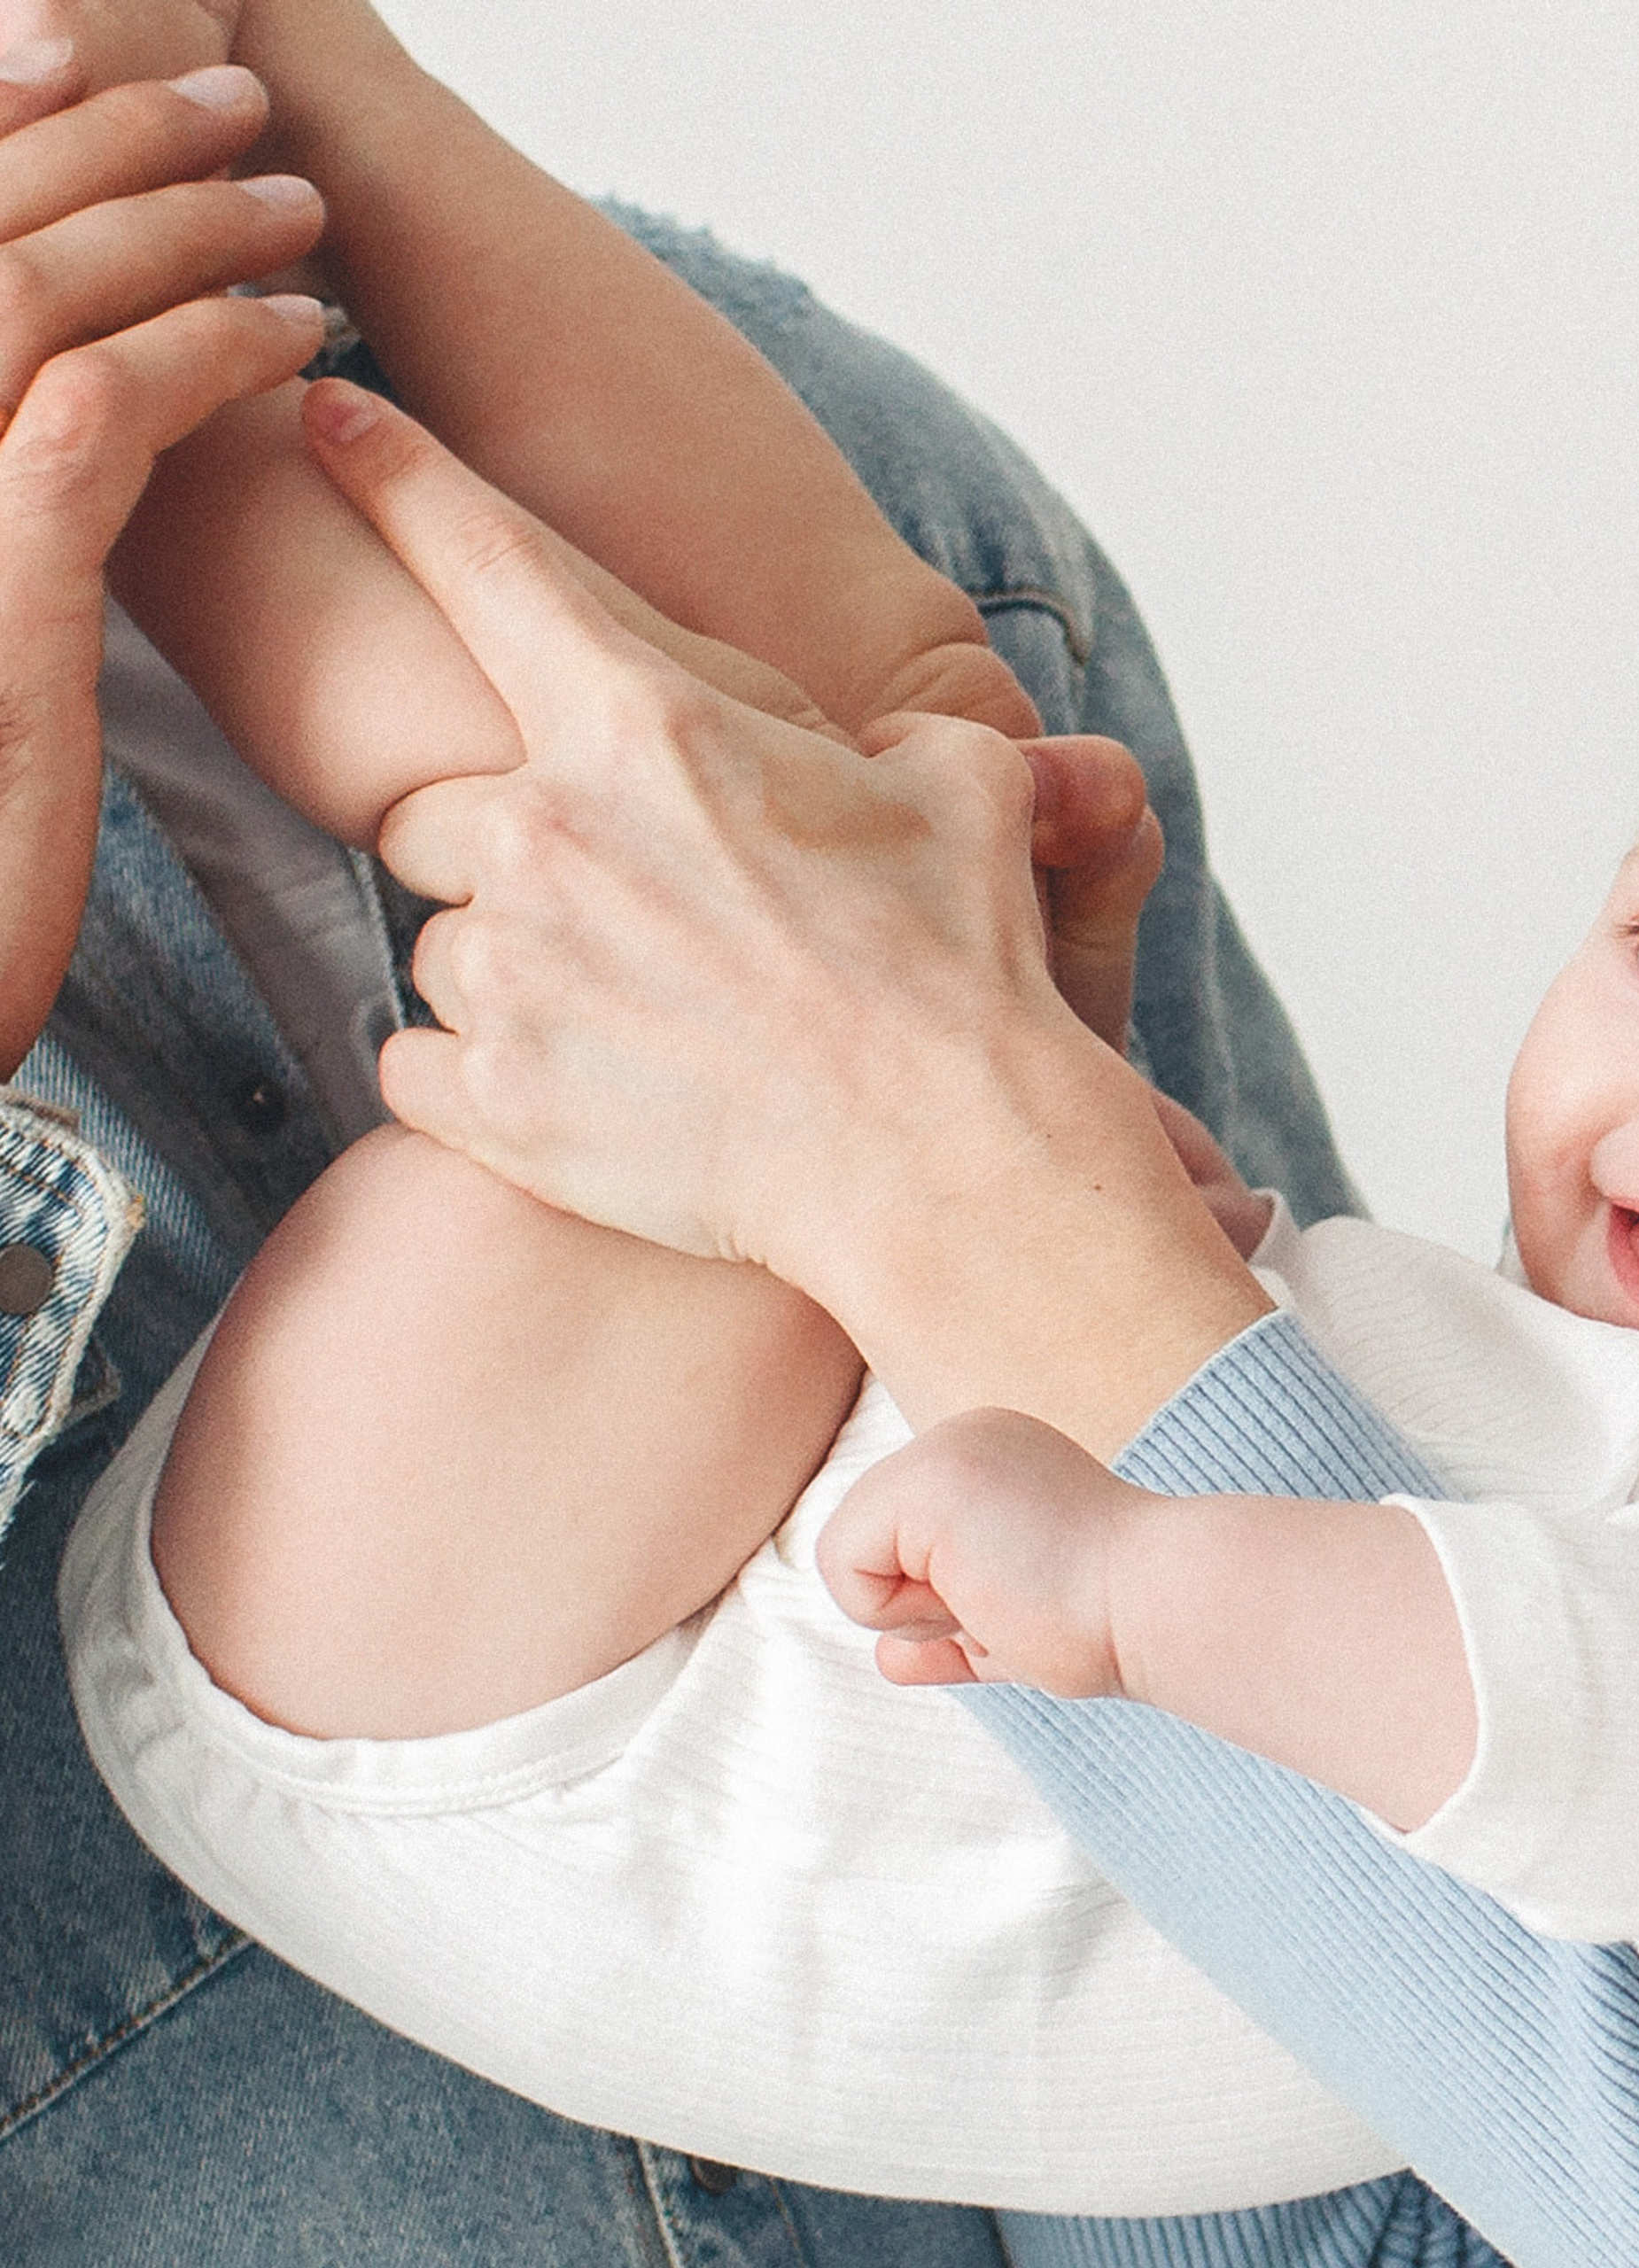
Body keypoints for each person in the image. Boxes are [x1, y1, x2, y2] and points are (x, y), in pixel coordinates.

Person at [245, 3, 1639, 2262]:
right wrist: (1101, 1220)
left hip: (493, 1702)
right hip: (602, 1685)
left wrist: (994, 1228)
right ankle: (255, 120)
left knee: (781, 763)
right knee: (901, 722)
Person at [0, 22, 1348, 2268]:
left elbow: (1284, 1742)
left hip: (1300, 1990)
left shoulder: (799, 449)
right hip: (347, 1711)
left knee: (837, 772)